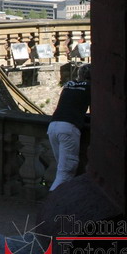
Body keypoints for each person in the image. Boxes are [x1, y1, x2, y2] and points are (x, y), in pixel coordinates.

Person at [47, 63, 91, 191]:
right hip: (68, 127)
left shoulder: (68, 85)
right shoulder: (91, 87)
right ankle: (52, 204)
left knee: (61, 168)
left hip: (53, 126)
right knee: (66, 172)